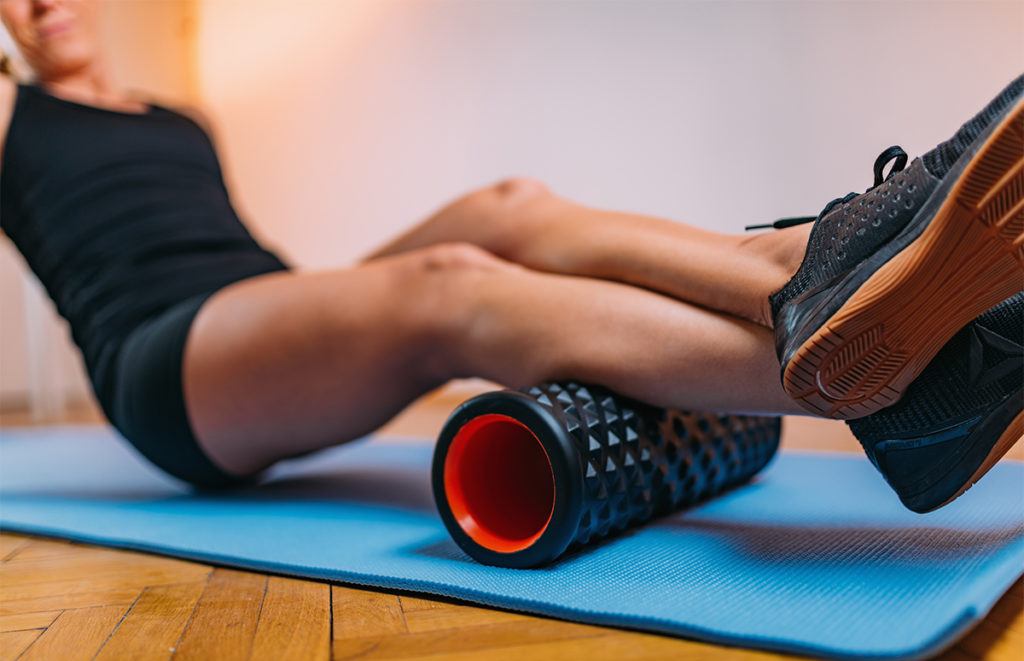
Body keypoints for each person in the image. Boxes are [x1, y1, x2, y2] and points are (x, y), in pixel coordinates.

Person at [1, 0, 1020, 514]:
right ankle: (883, 355)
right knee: (455, 293)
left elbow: (242, 255)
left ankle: (816, 277)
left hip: (259, 301)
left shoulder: (180, 113)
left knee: (506, 208)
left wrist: (320, 297)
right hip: (167, 365)